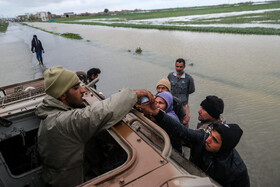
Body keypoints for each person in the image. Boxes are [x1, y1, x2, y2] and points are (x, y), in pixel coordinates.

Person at [35, 65, 153, 187]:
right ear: (62, 96)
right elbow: (102, 111)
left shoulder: (49, 112)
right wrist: (134, 94)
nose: (83, 90)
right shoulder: (62, 121)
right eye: (76, 88)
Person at [139, 101, 250, 187]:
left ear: (225, 147)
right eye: (210, 135)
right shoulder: (203, 139)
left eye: (215, 140)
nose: (207, 140)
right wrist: (157, 113)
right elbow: (181, 131)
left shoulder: (237, 170)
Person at [168, 58, 195, 128]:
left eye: (181, 67)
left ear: (184, 67)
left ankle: (186, 137)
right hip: (172, 103)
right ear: (175, 66)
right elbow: (167, 88)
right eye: (177, 66)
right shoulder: (170, 76)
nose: (179, 68)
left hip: (183, 105)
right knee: (171, 121)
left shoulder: (189, 78)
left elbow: (191, 90)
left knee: (185, 122)